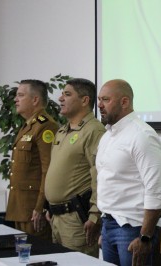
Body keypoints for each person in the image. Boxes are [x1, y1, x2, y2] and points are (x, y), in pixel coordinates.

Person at [96, 79, 161, 266]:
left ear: (124, 102)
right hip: (109, 224)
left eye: (106, 100)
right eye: (99, 99)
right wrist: (105, 230)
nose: (100, 105)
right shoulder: (107, 136)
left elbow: (156, 189)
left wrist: (145, 237)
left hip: (133, 229)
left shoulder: (141, 135)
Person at [44, 78, 105, 257]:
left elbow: (99, 175)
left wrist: (95, 215)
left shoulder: (93, 130)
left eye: (67, 94)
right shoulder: (62, 130)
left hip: (77, 219)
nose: (60, 98)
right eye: (62, 93)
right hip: (55, 217)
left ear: (85, 100)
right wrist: (49, 206)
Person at [5, 79, 58, 240]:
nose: (15, 99)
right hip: (20, 208)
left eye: (20, 95)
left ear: (35, 100)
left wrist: (40, 207)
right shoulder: (28, 125)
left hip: (33, 210)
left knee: (36, 258)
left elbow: (47, 170)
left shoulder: (45, 126)